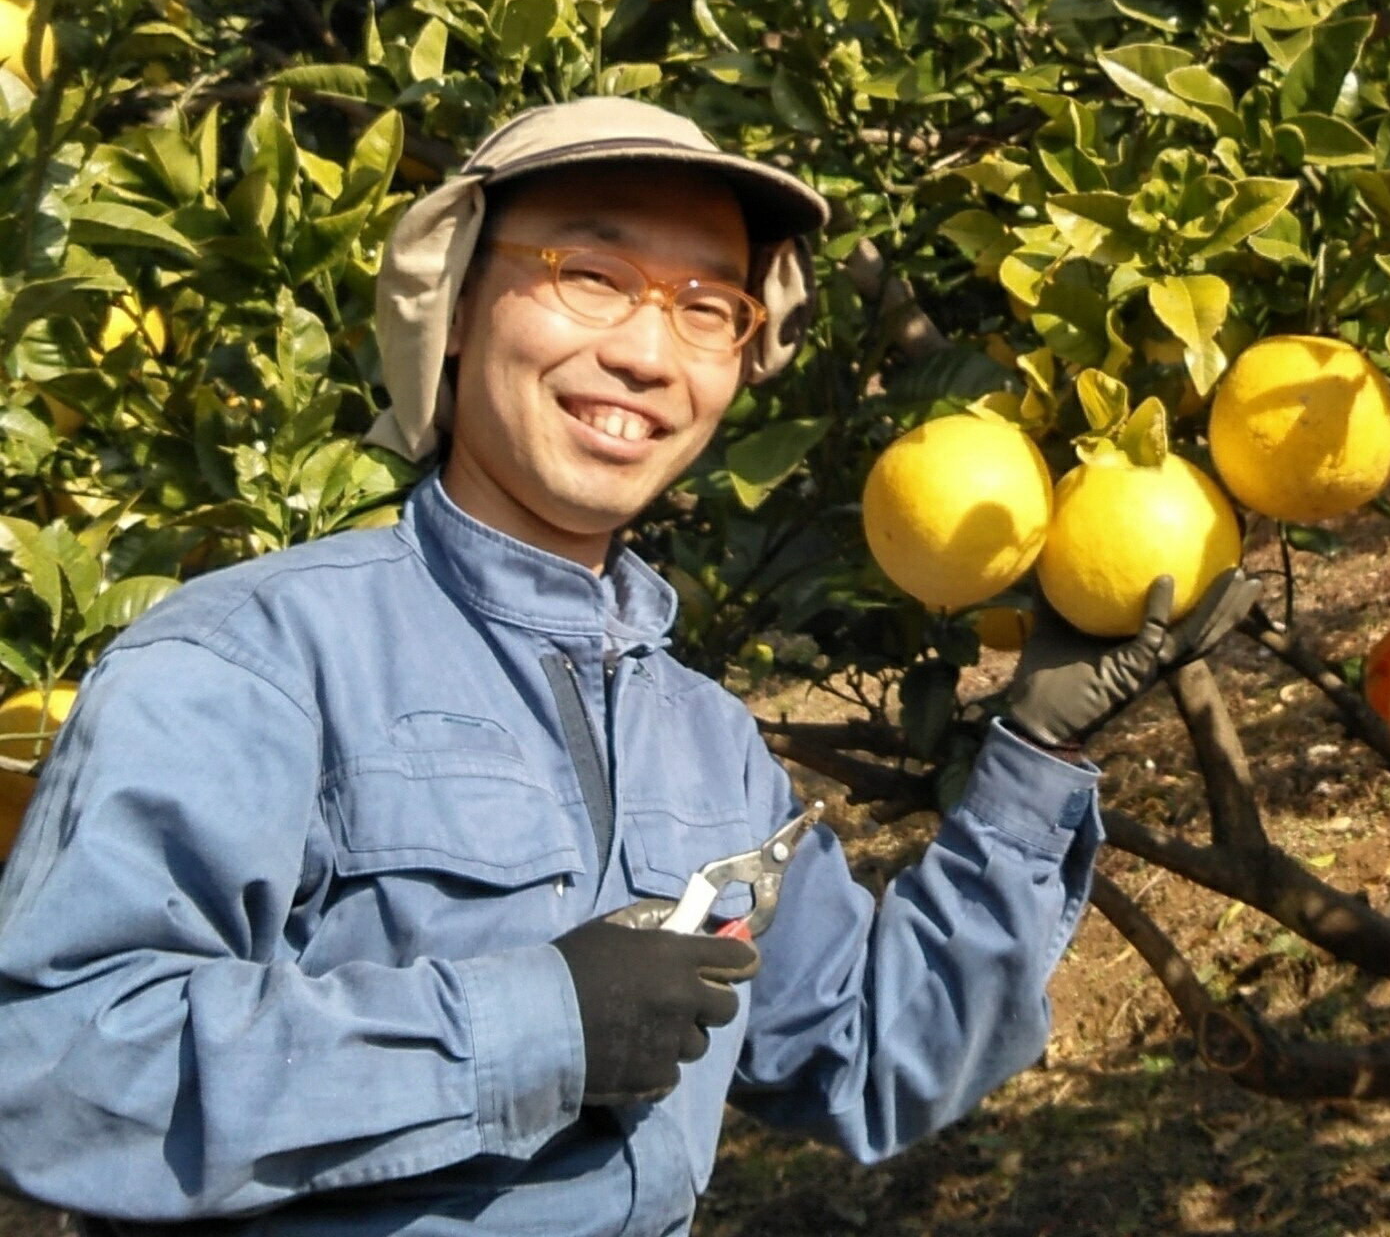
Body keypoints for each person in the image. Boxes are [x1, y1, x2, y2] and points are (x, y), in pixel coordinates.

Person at [0, 97, 1256, 1234]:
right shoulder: (256, 662)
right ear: (450, 310)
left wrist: (1036, 758)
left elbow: (875, 1056)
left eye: (708, 307)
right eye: (591, 276)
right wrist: (532, 1026)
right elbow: (47, 1069)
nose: (651, 357)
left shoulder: (705, 742)